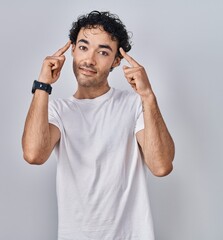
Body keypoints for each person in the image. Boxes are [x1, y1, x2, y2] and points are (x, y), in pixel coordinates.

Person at [22, 10, 175, 240]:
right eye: (83, 47)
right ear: (72, 50)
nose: (89, 60)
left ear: (116, 61)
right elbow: (34, 154)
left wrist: (148, 96)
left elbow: (161, 166)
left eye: (103, 52)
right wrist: (42, 84)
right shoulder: (57, 111)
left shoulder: (134, 105)